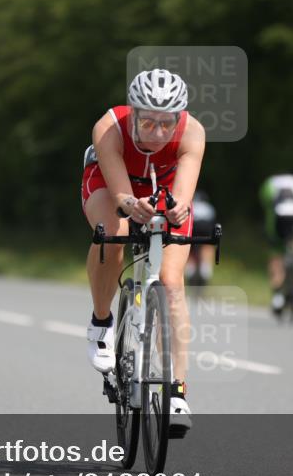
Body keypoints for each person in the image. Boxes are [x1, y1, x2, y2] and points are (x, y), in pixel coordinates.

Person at [81, 68, 205, 434]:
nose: (158, 133)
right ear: (133, 113)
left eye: (167, 124)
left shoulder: (193, 132)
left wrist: (177, 209)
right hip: (110, 182)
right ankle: (101, 322)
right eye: (148, 122)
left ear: (179, 118)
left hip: (162, 185)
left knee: (171, 283)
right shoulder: (109, 127)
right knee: (114, 233)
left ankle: (177, 390)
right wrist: (129, 204)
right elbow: (121, 195)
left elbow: (183, 195)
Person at [259, 174, 293, 314]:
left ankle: (277, 296)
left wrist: (270, 233)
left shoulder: (269, 184)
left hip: (278, 217)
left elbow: (267, 208)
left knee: (276, 254)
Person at [185, 190, 217, 285]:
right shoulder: (209, 208)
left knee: (188, 245)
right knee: (208, 244)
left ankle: (190, 268)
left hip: (193, 224)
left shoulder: (190, 205)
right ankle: (205, 268)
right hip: (206, 225)